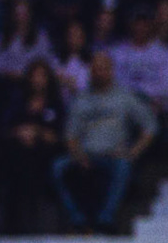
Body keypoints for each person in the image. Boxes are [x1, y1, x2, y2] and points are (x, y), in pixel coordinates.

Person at [55, 50, 154, 232]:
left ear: (111, 70)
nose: (99, 72)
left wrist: (133, 152)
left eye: (103, 68)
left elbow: (149, 126)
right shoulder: (80, 99)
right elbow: (70, 135)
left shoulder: (125, 97)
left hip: (113, 157)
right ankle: (78, 219)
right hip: (84, 155)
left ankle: (105, 219)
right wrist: (77, 155)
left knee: (124, 166)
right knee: (58, 167)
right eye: (95, 68)